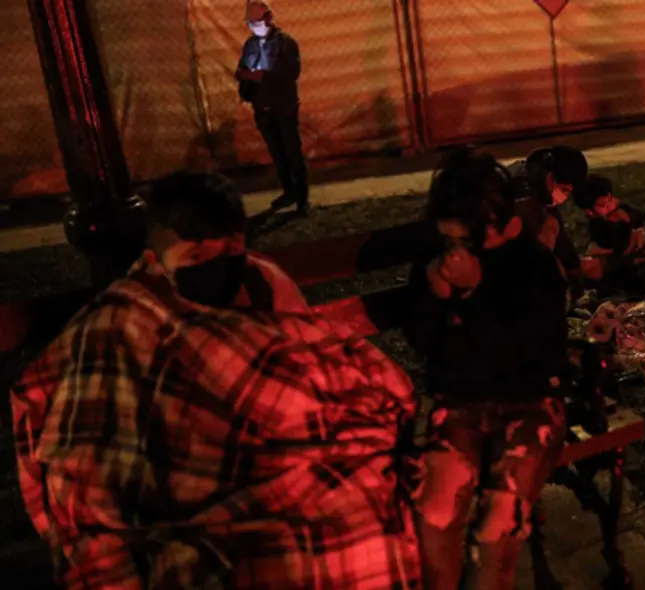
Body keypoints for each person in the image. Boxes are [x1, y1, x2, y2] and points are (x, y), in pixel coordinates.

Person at [11, 171, 421, 589]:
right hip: (191, 489)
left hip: (282, 465)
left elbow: (312, 358)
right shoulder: (123, 319)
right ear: (155, 259)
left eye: (232, 249)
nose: (218, 266)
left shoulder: (260, 280)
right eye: (196, 258)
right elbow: (89, 454)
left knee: (351, 510)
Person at [404, 148, 569, 590]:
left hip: (529, 403)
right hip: (459, 404)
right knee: (435, 511)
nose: (455, 249)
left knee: (499, 519)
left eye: (466, 239)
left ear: (498, 222)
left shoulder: (531, 266)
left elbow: (523, 354)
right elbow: (422, 341)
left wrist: (475, 294)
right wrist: (435, 299)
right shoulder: (436, 261)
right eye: (448, 240)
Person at [236, 0, 309, 213]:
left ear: (268, 18)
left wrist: (260, 77)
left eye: (256, 20)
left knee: (292, 152)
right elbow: (243, 71)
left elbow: (289, 74)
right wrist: (247, 79)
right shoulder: (250, 46)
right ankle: (289, 192)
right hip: (263, 108)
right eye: (250, 21)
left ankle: (302, 198)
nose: (253, 25)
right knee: (277, 153)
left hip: (284, 107)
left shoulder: (286, 43)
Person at [508, 145, 588, 294]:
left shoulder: (538, 183)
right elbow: (531, 247)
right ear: (551, 179)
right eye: (565, 190)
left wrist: (574, 269)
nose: (564, 198)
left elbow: (561, 241)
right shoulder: (524, 195)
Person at [575, 174, 645, 290]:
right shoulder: (596, 224)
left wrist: (626, 214)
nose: (609, 207)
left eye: (610, 200)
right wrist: (622, 224)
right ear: (590, 211)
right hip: (610, 258)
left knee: (640, 236)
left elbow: (643, 217)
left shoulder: (617, 210)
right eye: (602, 205)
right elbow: (613, 243)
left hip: (629, 254)